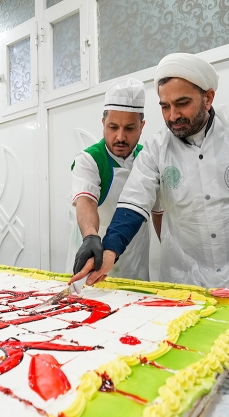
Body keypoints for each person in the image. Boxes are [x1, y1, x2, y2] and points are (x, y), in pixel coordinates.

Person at [72, 53, 229, 295]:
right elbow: (133, 203)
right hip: (185, 276)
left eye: (182, 103)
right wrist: (109, 250)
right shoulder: (156, 149)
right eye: (165, 107)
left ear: (208, 98)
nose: (173, 116)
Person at [67, 78, 163, 281]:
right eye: (113, 127)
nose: (120, 137)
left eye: (129, 128)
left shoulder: (148, 159)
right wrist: (90, 235)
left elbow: (158, 213)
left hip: (135, 262)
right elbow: (86, 201)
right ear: (103, 123)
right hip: (93, 259)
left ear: (142, 126)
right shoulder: (90, 159)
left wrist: (170, 252)